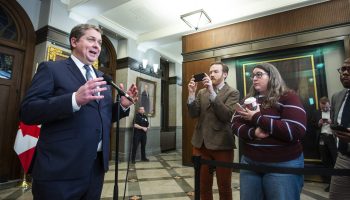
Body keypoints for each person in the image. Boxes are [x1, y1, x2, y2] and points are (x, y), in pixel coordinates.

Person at [20, 24, 138, 200]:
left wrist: (122, 106)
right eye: (91, 39)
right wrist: (74, 99)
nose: (97, 46)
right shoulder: (51, 69)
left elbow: (101, 117)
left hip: (95, 169)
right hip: (60, 171)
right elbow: (28, 111)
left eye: (99, 42)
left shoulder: (102, 78)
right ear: (74, 41)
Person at [231, 62, 307, 200]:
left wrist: (257, 118)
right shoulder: (248, 100)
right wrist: (253, 133)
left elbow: (295, 130)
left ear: (272, 76)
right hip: (250, 162)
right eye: (252, 75)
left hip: (282, 164)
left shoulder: (288, 97)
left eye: (259, 74)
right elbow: (234, 125)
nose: (254, 78)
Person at [187, 61, 239, 200]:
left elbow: (226, 115)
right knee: (203, 185)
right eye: (210, 72)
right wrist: (191, 94)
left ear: (225, 74)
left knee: (224, 186)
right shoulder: (201, 92)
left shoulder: (233, 92)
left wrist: (212, 92)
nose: (212, 74)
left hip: (222, 144)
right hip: (201, 144)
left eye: (216, 71)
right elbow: (193, 114)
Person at [329, 57, 350, 199]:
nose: (345, 73)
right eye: (343, 69)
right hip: (344, 157)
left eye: (349, 69)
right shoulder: (337, 96)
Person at [311, 96, 337, 192]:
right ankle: (330, 183)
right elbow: (313, 125)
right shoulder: (316, 113)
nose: (324, 109)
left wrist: (332, 123)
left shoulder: (334, 112)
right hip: (321, 138)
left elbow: (340, 124)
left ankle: (336, 183)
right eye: (323, 108)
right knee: (325, 161)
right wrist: (319, 123)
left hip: (332, 138)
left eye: (326, 107)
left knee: (335, 160)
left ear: (329, 104)